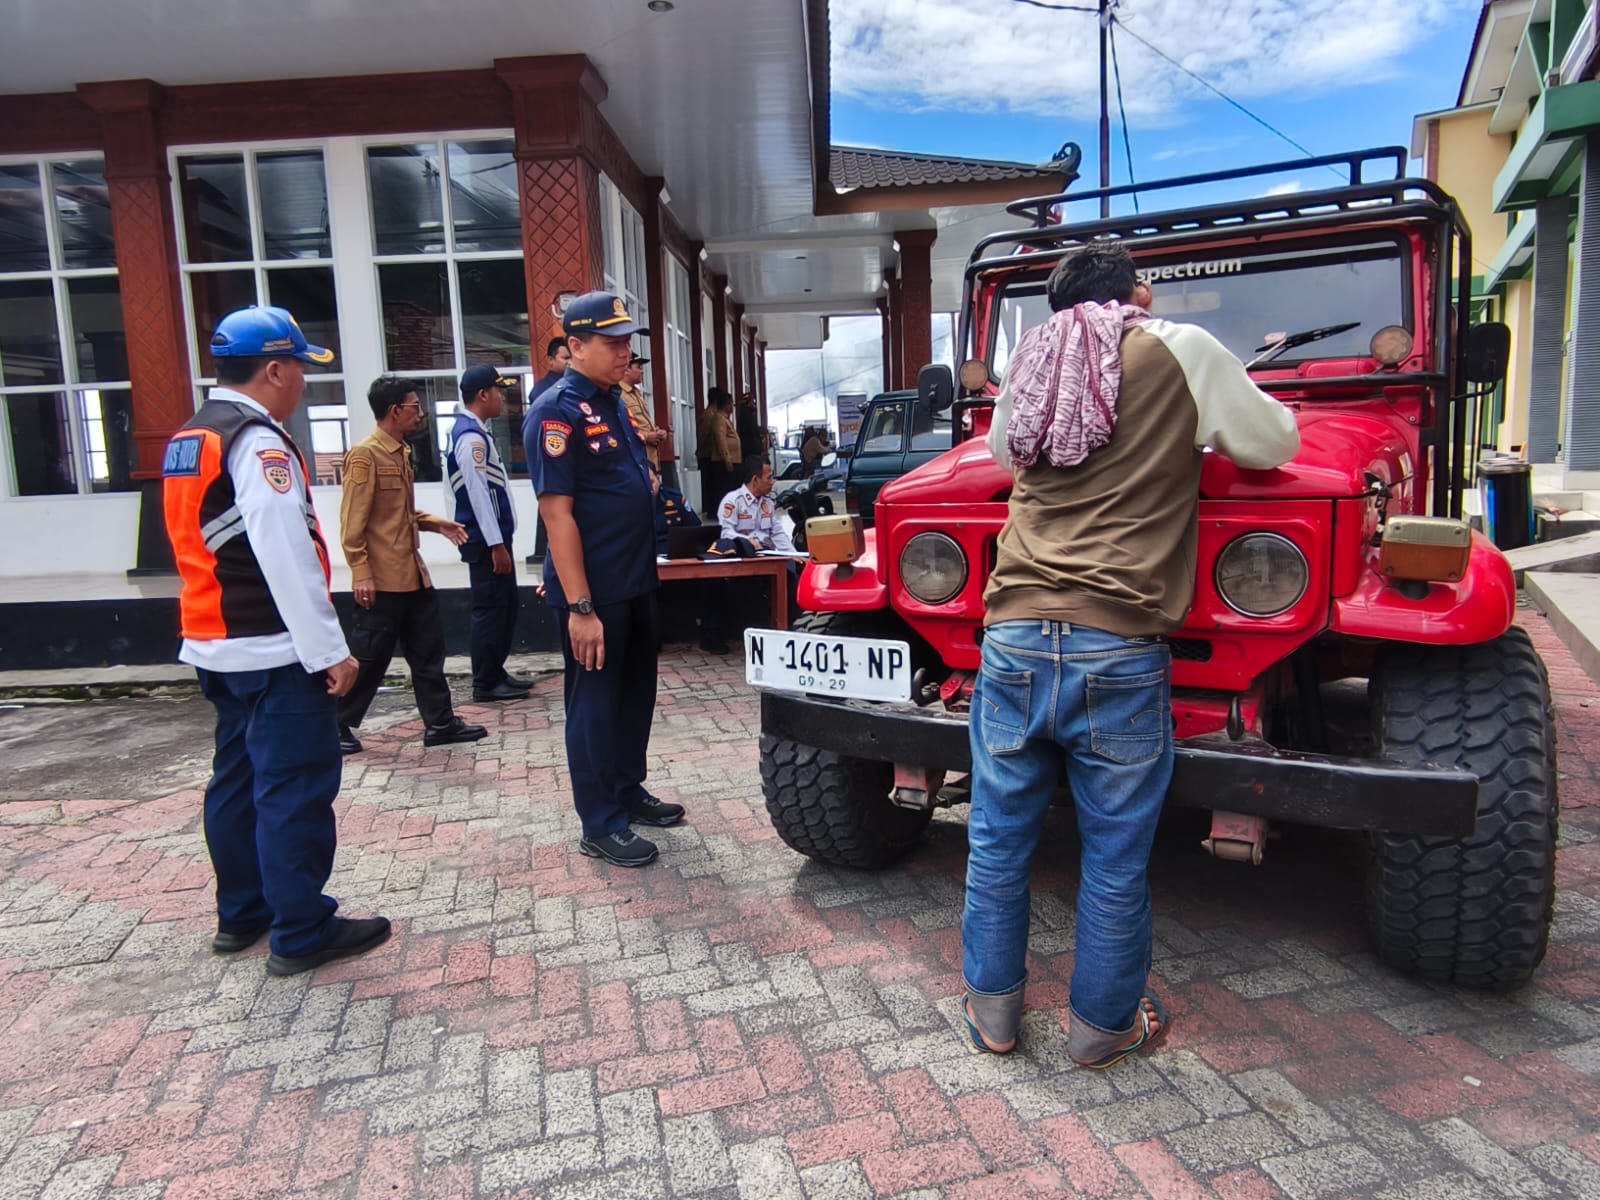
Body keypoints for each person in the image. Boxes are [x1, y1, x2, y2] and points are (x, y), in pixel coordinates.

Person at [961, 242, 1300, 1066]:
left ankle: (993, 1019)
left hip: (1011, 632)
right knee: (1114, 855)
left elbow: (1006, 457)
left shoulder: (1035, 360)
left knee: (996, 840)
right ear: (1139, 294)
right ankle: (1103, 1029)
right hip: (1117, 640)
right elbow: (1272, 443)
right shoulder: (1178, 347)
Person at [161, 305, 390, 977]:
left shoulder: (192, 435)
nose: (303, 386)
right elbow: (286, 555)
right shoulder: (256, 442)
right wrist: (331, 652)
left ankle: (243, 913)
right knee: (293, 786)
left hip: (212, 641)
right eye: (299, 370)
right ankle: (301, 928)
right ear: (274, 368)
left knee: (235, 780)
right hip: (270, 647)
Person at [526, 291, 687, 867]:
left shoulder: (614, 402)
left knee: (634, 694)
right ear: (575, 346)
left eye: (627, 342)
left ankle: (626, 789)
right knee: (594, 705)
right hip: (595, 592)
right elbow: (557, 514)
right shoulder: (556, 411)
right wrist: (580, 607)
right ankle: (599, 820)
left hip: (636, 579)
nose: (625, 353)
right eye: (612, 343)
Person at [336, 376, 487, 753]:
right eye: (414, 407)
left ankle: (439, 723)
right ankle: (333, 725)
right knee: (370, 659)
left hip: (412, 574)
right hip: (382, 580)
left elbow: (398, 514)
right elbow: (353, 523)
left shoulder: (400, 452)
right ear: (394, 411)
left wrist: (437, 524)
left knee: (428, 653)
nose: (419, 415)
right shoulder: (365, 456)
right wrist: (360, 572)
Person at [450, 364, 534, 703]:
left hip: (494, 539)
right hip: (486, 541)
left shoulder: (477, 432)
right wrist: (496, 543)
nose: (503, 397)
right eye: (499, 391)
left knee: (505, 606)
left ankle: (495, 670)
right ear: (483, 395)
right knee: (490, 608)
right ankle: (484, 682)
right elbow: (478, 495)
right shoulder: (470, 438)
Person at [716, 455, 794, 553]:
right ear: (755, 480)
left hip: (768, 555)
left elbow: (777, 533)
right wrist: (747, 541)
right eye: (769, 478)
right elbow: (726, 533)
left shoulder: (768, 502)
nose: (772, 482)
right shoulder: (733, 501)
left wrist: (793, 555)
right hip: (745, 556)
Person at [622, 352, 669, 470]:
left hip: (650, 459)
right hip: (637, 460)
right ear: (626, 370)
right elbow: (622, 429)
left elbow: (642, 422)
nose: (642, 371)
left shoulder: (636, 393)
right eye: (639, 367)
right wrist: (648, 436)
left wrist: (658, 432)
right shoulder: (619, 394)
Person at [651, 461, 699, 556]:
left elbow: (694, 527)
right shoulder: (627, 504)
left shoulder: (674, 498)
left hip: (671, 554)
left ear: (658, 479)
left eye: (651, 482)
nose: (648, 487)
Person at [736, 391, 765, 462]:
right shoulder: (746, 414)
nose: (754, 403)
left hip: (749, 450)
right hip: (751, 451)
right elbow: (752, 429)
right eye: (753, 401)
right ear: (748, 402)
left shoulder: (745, 413)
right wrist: (763, 431)